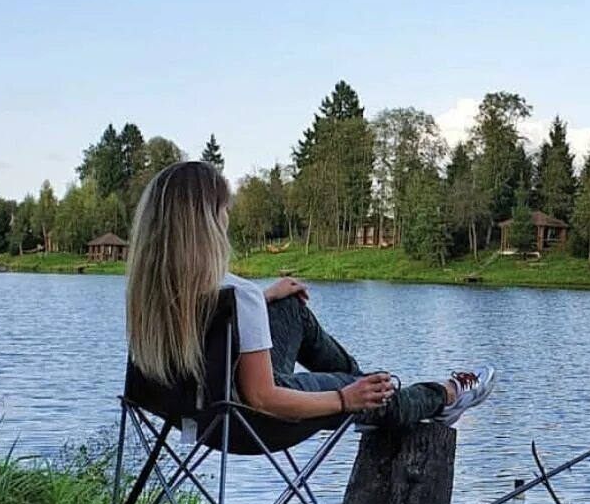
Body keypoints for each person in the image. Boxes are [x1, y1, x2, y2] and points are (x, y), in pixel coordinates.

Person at [125, 159, 495, 429]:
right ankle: (444, 394)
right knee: (371, 394)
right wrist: (344, 399)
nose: (227, 221)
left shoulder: (149, 294)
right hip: (252, 422)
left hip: (194, 415)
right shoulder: (238, 295)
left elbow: (209, 314)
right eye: (223, 211)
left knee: (288, 304)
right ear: (206, 224)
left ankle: (373, 401)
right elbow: (263, 398)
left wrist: (264, 298)